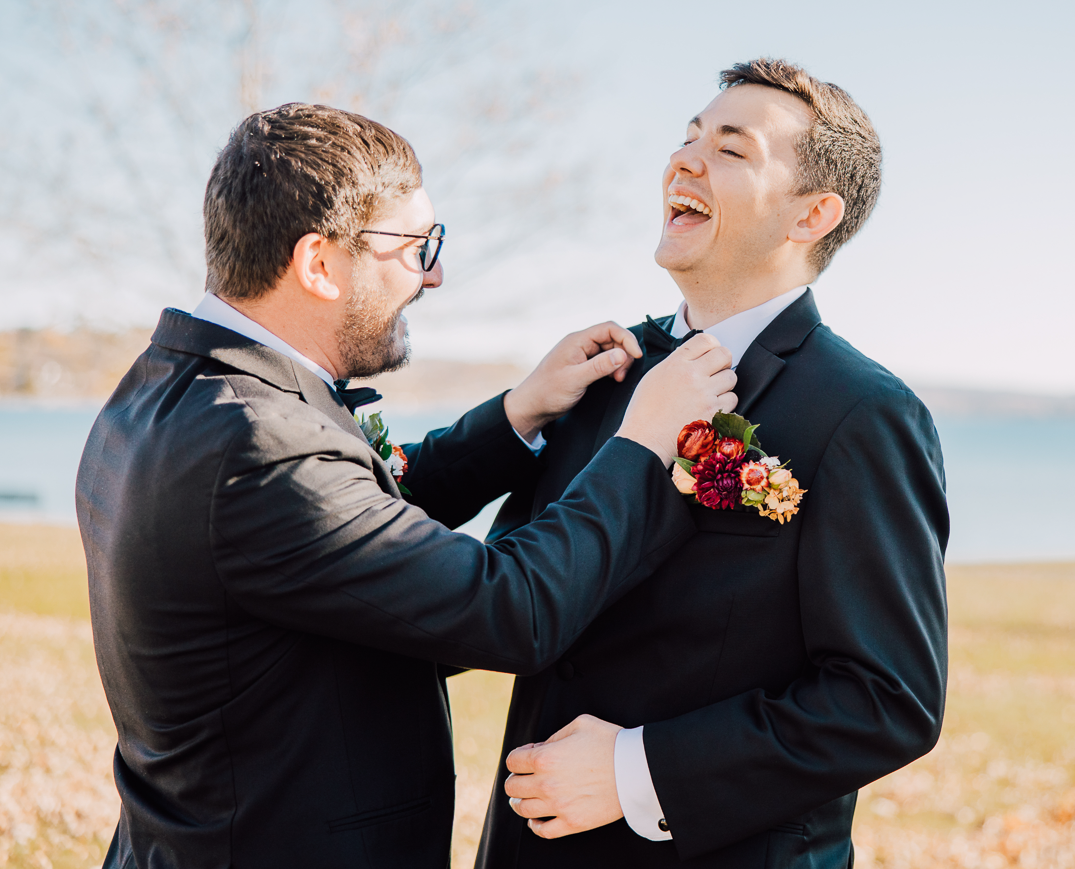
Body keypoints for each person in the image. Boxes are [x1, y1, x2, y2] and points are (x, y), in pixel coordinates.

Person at [77, 102, 738, 869]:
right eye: (413, 245)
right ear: (319, 265)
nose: (433, 272)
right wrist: (642, 441)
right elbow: (510, 607)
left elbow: (344, 526)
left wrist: (518, 414)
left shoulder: (170, 389)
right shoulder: (257, 445)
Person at [477, 59, 950, 869]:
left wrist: (637, 771)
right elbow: (507, 596)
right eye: (688, 136)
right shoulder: (602, 375)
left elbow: (885, 700)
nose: (684, 159)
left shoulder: (862, 413)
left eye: (731, 149)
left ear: (813, 214)